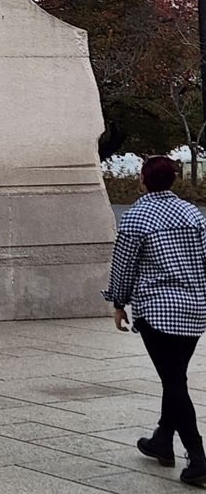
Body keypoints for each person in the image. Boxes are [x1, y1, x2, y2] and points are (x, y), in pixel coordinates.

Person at [103, 154, 206, 486]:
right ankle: (163, 438)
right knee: (174, 376)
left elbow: (123, 266)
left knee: (174, 382)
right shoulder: (193, 214)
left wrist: (119, 302)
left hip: (158, 310)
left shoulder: (136, 217)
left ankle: (198, 458)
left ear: (143, 180)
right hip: (194, 309)